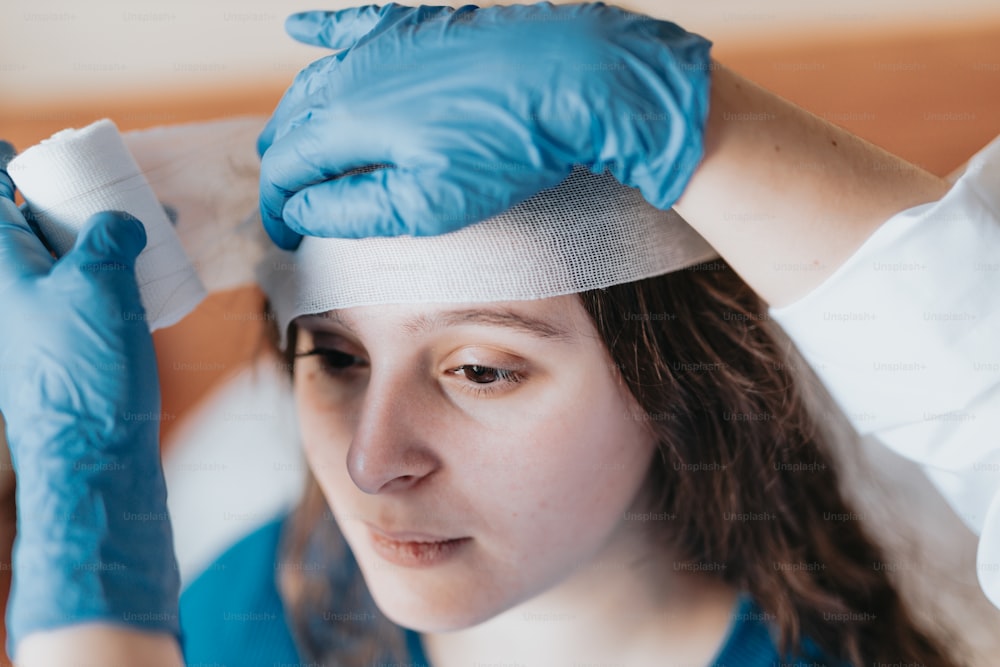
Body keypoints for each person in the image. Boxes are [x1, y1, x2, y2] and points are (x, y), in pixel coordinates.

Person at [1, 3, 997, 666]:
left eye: (480, 368)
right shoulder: (256, 603)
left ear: (676, 383)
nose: (369, 459)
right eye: (335, 356)